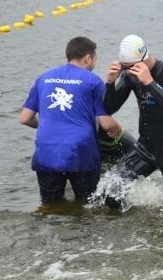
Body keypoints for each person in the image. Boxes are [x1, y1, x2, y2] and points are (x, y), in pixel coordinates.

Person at [18, 36, 120, 204]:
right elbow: (106, 123)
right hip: (81, 153)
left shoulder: (43, 78)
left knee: (50, 207)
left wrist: (45, 126)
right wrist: (118, 131)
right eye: (95, 58)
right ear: (88, 58)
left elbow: (24, 118)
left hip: (46, 154)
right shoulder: (93, 81)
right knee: (89, 205)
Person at [103, 34, 163, 201]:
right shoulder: (130, 76)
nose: (128, 71)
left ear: (144, 58)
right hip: (145, 148)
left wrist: (150, 83)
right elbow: (108, 108)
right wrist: (110, 84)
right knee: (110, 195)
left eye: (131, 67)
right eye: (124, 67)